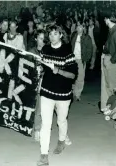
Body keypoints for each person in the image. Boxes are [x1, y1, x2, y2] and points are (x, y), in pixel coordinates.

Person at [37, 25, 78, 166]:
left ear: (61, 35)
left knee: (61, 121)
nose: (52, 37)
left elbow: (73, 75)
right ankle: (44, 155)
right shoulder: (45, 50)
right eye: (50, 34)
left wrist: (58, 70)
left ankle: (61, 141)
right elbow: (42, 68)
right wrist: (38, 69)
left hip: (63, 93)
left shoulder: (68, 52)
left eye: (55, 34)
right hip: (47, 91)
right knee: (45, 124)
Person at [28, 30, 45, 142]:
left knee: (41, 107)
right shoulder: (31, 51)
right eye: (40, 38)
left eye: (44, 38)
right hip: (34, 82)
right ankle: (35, 128)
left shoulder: (48, 51)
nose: (42, 40)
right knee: (34, 106)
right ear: (36, 39)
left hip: (45, 82)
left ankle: (38, 129)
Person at [71, 20, 93, 101]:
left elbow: (89, 50)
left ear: (83, 28)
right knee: (73, 77)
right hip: (73, 59)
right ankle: (73, 92)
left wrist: (85, 59)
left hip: (81, 60)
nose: (79, 27)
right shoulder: (73, 36)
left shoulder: (87, 38)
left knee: (80, 77)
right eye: (77, 26)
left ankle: (77, 94)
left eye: (81, 26)